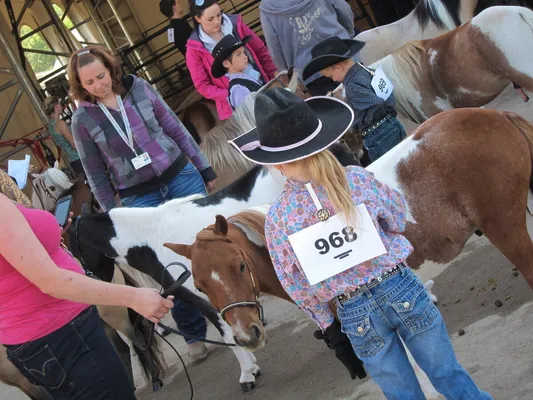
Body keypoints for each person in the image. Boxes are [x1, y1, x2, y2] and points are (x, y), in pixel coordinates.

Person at [229, 88, 493, 400]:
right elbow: (396, 216)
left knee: (403, 395)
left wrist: (329, 327)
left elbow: (296, 283)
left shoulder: (279, 219)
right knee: (448, 374)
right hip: (399, 286)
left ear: (277, 165)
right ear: (321, 141)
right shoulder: (356, 179)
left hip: (353, 311)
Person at [68, 46, 215, 360]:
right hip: (139, 196)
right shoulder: (82, 119)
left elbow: (175, 128)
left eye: (101, 76)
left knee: (212, 245)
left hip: (180, 176)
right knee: (169, 267)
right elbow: (94, 172)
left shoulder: (140, 89)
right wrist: (114, 215)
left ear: (111, 68)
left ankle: (239, 314)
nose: (98, 85)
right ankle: (193, 333)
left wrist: (204, 167)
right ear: (80, 86)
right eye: (89, 83)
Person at [0, 193, 174, 399]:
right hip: (63, 333)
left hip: (43, 337)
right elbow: (51, 281)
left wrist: (46, 234)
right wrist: (133, 297)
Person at [304, 36, 405, 163]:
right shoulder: (367, 70)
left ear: (338, 67)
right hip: (392, 124)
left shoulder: (352, 88)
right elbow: (387, 94)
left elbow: (377, 102)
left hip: (378, 134)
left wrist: (356, 124)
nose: (334, 80)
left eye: (331, 76)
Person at [186, 0, 277, 120]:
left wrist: (273, 72)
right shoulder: (194, 49)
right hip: (236, 107)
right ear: (198, 19)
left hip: (261, 84)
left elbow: (259, 49)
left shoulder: (235, 25)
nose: (217, 21)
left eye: (219, 15)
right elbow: (202, 85)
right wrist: (231, 93)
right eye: (210, 19)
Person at [259, 0, 358, 96]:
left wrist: (289, 72)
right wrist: (347, 36)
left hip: (310, 72)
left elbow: (276, 51)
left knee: (340, 110)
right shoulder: (266, 9)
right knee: (367, 93)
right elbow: (344, 11)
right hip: (342, 54)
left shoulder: (267, 9)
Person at [211, 34, 261, 110]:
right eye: (238, 54)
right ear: (226, 63)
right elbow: (252, 115)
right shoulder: (238, 89)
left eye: (244, 52)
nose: (245, 57)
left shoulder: (244, 79)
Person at [42, 96, 84, 176]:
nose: (61, 106)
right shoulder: (60, 124)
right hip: (80, 158)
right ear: (56, 106)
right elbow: (74, 144)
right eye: (60, 104)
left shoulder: (51, 126)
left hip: (73, 161)